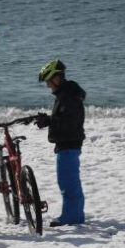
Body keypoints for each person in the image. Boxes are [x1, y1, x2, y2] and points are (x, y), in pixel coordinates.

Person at [35, 59, 86, 227]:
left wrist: (49, 121)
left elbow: (67, 122)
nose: (48, 86)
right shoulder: (68, 93)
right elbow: (64, 119)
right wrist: (49, 120)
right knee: (71, 181)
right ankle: (76, 214)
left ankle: (71, 217)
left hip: (68, 143)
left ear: (56, 78)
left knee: (67, 182)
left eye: (49, 81)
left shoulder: (67, 97)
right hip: (71, 142)